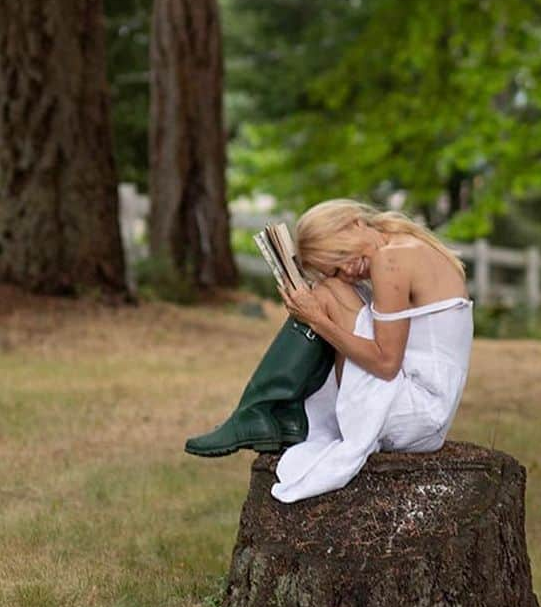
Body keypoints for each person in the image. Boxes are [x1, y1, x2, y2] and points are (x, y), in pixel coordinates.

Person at [185, 199, 473, 502]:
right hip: (427, 408)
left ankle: (259, 413)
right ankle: (270, 414)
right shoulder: (399, 243)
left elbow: (386, 363)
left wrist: (317, 321)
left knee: (326, 297)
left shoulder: (390, 260)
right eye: (335, 269)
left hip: (419, 412)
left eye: (340, 255)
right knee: (328, 291)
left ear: (353, 223)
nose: (348, 270)